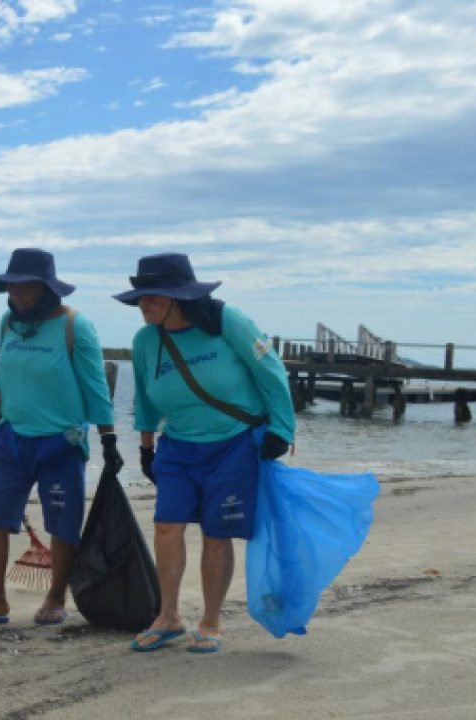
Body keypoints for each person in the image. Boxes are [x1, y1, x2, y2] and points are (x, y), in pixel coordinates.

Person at [113, 252, 295, 653]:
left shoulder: (228, 322)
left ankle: (211, 622)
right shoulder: (146, 341)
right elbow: (145, 399)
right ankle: (168, 617)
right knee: (166, 526)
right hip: (177, 446)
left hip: (233, 445)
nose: (144, 304)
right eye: (141, 297)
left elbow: (271, 371)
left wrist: (282, 428)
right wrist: (146, 449)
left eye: (154, 297)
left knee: (216, 533)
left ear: (179, 297)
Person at [0, 248, 123, 626]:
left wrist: (109, 439)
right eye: (11, 288)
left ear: (47, 289)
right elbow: (5, 377)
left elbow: (95, 386)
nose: (16, 296)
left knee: (62, 521)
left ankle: (55, 597)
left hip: (60, 441)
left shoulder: (74, 326)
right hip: (10, 436)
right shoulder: (8, 323)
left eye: (26, 288)